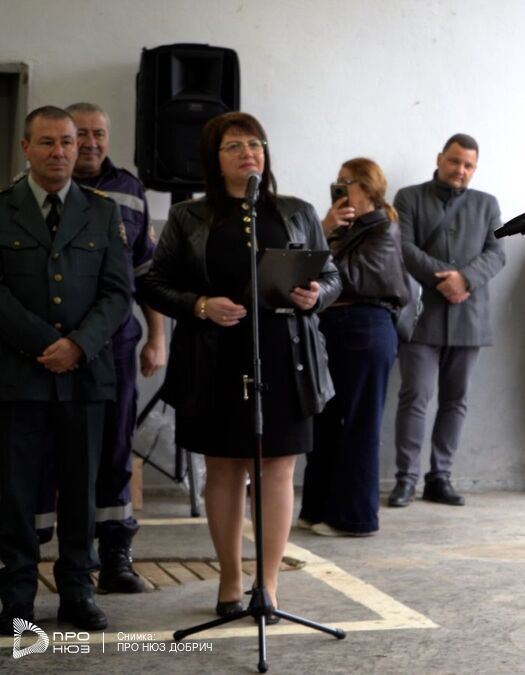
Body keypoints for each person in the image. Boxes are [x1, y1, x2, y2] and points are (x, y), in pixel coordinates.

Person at [141, 112, 340, 620]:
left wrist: (315, 294)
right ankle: (229, 581)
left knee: (277, 468)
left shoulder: (296, 211)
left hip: (286, 354)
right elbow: (154, 283)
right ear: (214, 158)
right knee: (224, 467)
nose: (248, 153)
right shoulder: (188, 216)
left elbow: (332, 275)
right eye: (234, 146)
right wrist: (200, 305)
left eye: (256, 144)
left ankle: (267, 586)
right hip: (214, 356)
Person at [0, 106, 131, 630]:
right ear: (26, 148)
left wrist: (78, 344)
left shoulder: (102, 212)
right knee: (15, 492)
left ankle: (78, 590)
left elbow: (118, 293)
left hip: (86, 373)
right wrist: (43, 343)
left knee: (82, 489)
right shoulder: (3, 209)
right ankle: (16, 597)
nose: (60, 152)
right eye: (47, 142)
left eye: (68, 143)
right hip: (19, 374)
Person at [59, 101, 166, 594]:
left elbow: (146, 274)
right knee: (44, 451)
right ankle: (30, 561)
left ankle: (115, 554)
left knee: (115, 447)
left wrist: (156, 337)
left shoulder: (129, 190)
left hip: (117, 345)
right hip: (51, 345)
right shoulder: (40, 189)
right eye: (80, 133)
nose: (90, 143)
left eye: (98, 133)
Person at [387, 133, 505, 508]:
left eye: (468, 165)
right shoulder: (408, 197)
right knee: (415, 397)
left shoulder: (487, 204)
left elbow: (497, 252)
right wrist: (447, 279)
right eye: (455, 161)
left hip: (469, 316)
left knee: (456, 401)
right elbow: (403, 248)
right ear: (440, 159)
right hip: (420, 316)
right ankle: (406, 479)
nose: (460, 170)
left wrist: (465, 279)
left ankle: (440, 477)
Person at [299, 158, 410, 537]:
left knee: (359, 423)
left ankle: (355, 518)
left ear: (367, 186)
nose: (340, 187)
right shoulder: (346, 229)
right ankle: (317, 508)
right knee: (325, 421)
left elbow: (346, 277)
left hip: (366, 327)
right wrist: (325, 229)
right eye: (339, 181)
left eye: (347, 181)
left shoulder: (384, 228)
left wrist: (325, 238)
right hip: (334, 327)